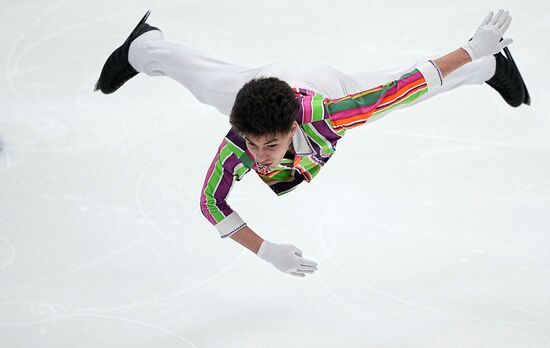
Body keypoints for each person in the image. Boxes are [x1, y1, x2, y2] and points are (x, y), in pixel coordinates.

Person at [95, 10, 529, 277]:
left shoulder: (331, 113)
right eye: (251, 145)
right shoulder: (242, 138)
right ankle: (144, 47)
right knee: (206, 84)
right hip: (252, 86)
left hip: (320, 81)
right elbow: (212, 202)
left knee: (398, 95)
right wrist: (265, 251)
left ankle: (489, 65)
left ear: (289, 130)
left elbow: (404, 86)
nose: (258, 158)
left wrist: (472, 49)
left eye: (268, 146)